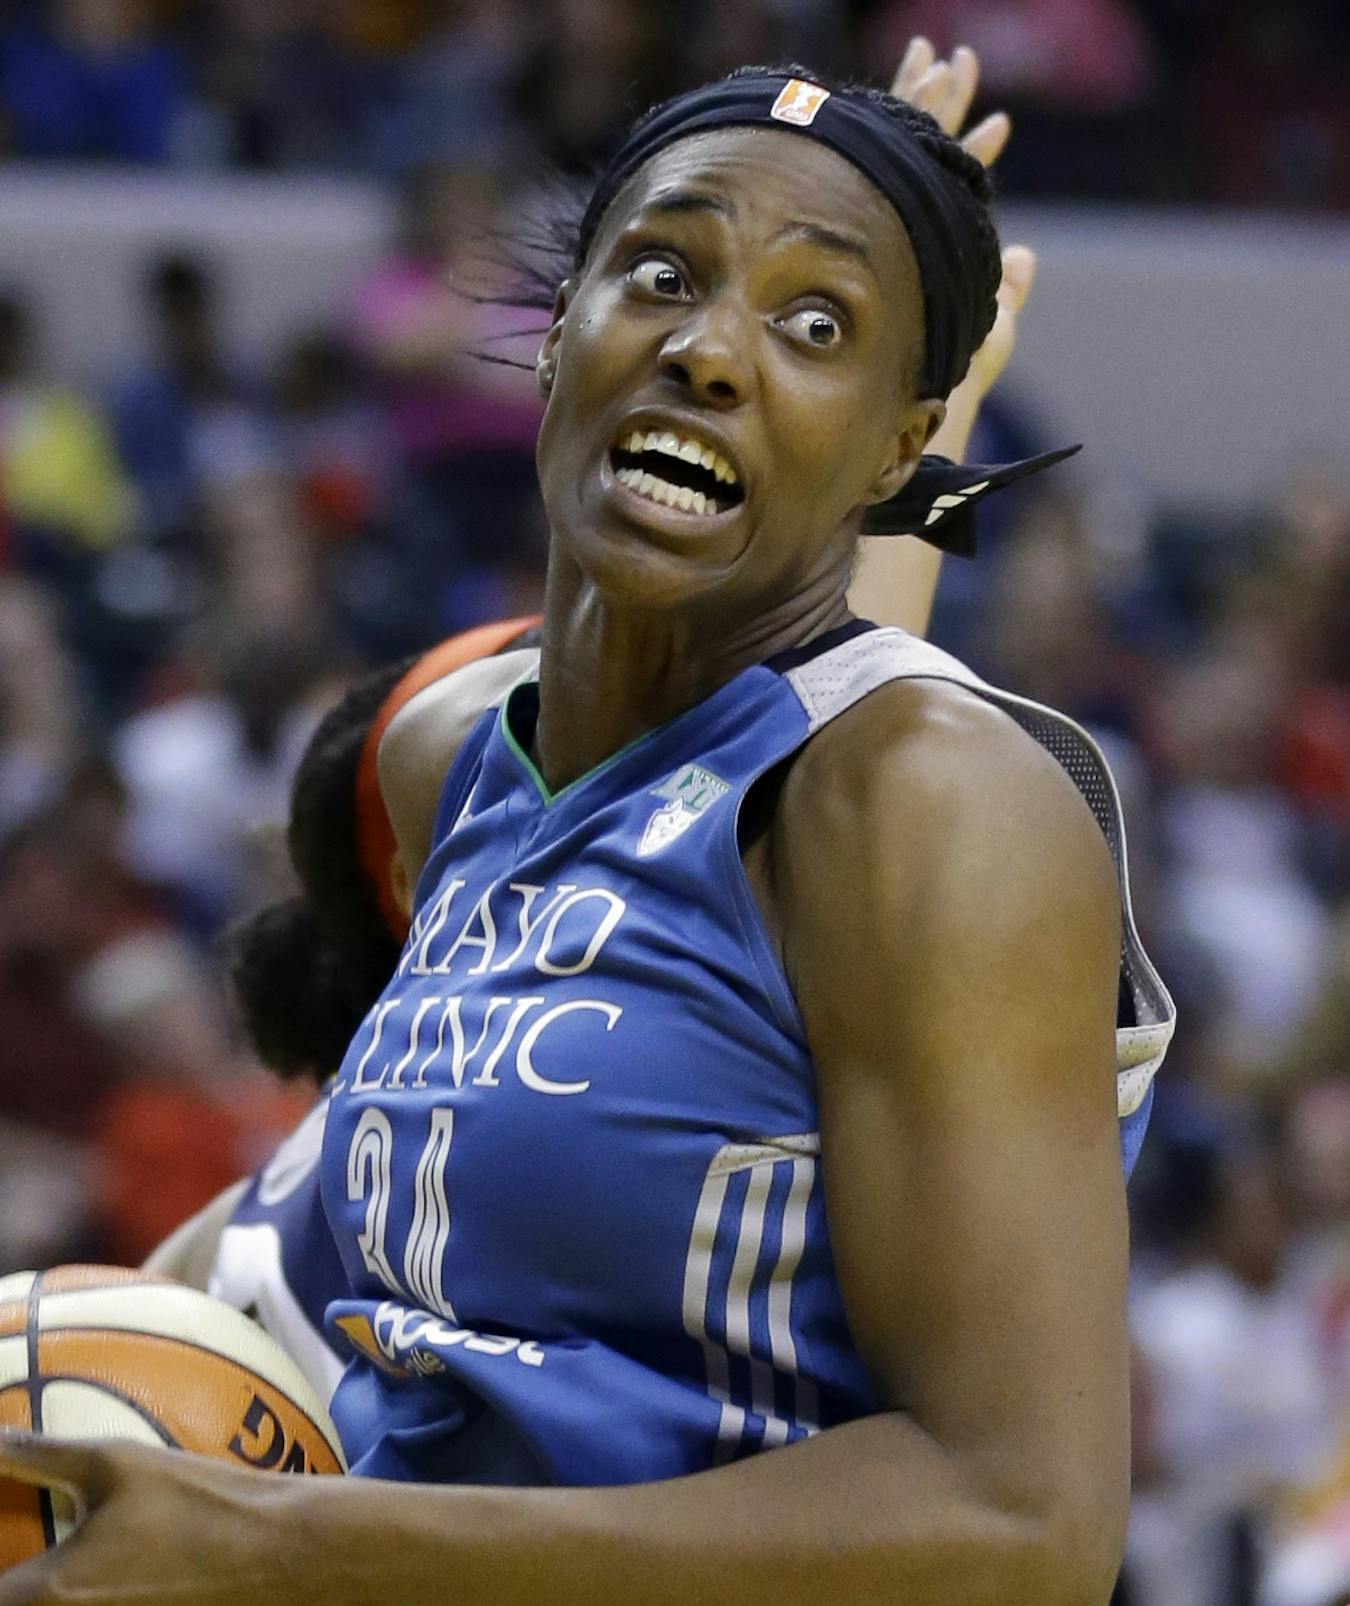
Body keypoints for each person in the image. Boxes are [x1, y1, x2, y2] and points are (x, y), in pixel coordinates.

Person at [0, 40, 1174, 1606]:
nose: (710, 350)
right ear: (556, 337)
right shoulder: (484, 775)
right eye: (665, 273)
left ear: (901, 447)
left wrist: (293, 1548)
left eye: (813, 323)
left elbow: (1028, 1528)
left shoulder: (926, 800)